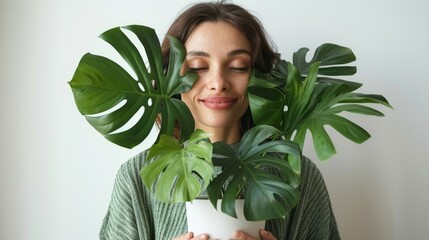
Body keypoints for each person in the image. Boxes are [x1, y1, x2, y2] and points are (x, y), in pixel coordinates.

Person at [100, 1, 340, 239]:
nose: (218, 82)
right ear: (169, 77)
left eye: (238, 66)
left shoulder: (297, 174)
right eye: (197, 67)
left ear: (260, 77)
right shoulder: (137, 177)